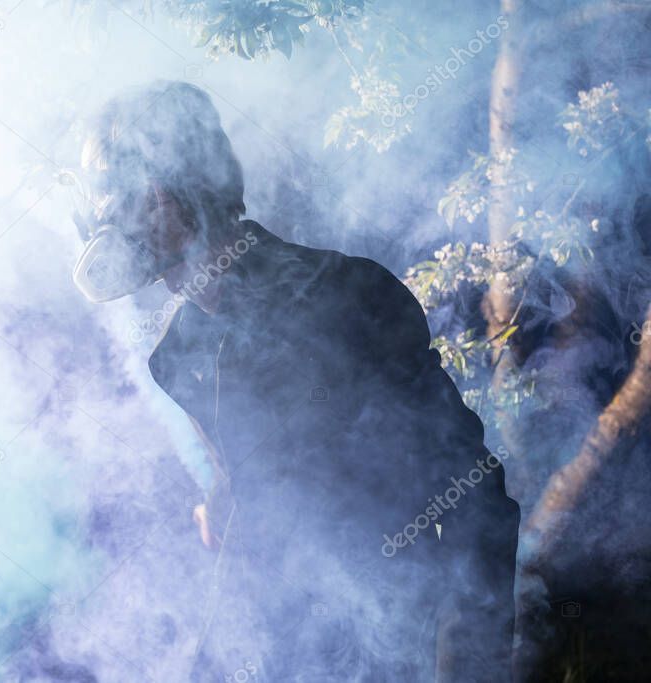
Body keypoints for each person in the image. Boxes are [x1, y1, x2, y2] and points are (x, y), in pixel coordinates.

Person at [71, 80, 520, 682]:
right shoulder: (179, 356)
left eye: (131, 200)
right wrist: (220, 504)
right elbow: (240, 479)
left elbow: (474, 498)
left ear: (163, 198)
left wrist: (469, 664)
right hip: (278, 648)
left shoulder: (349, 295)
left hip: (388, 643)